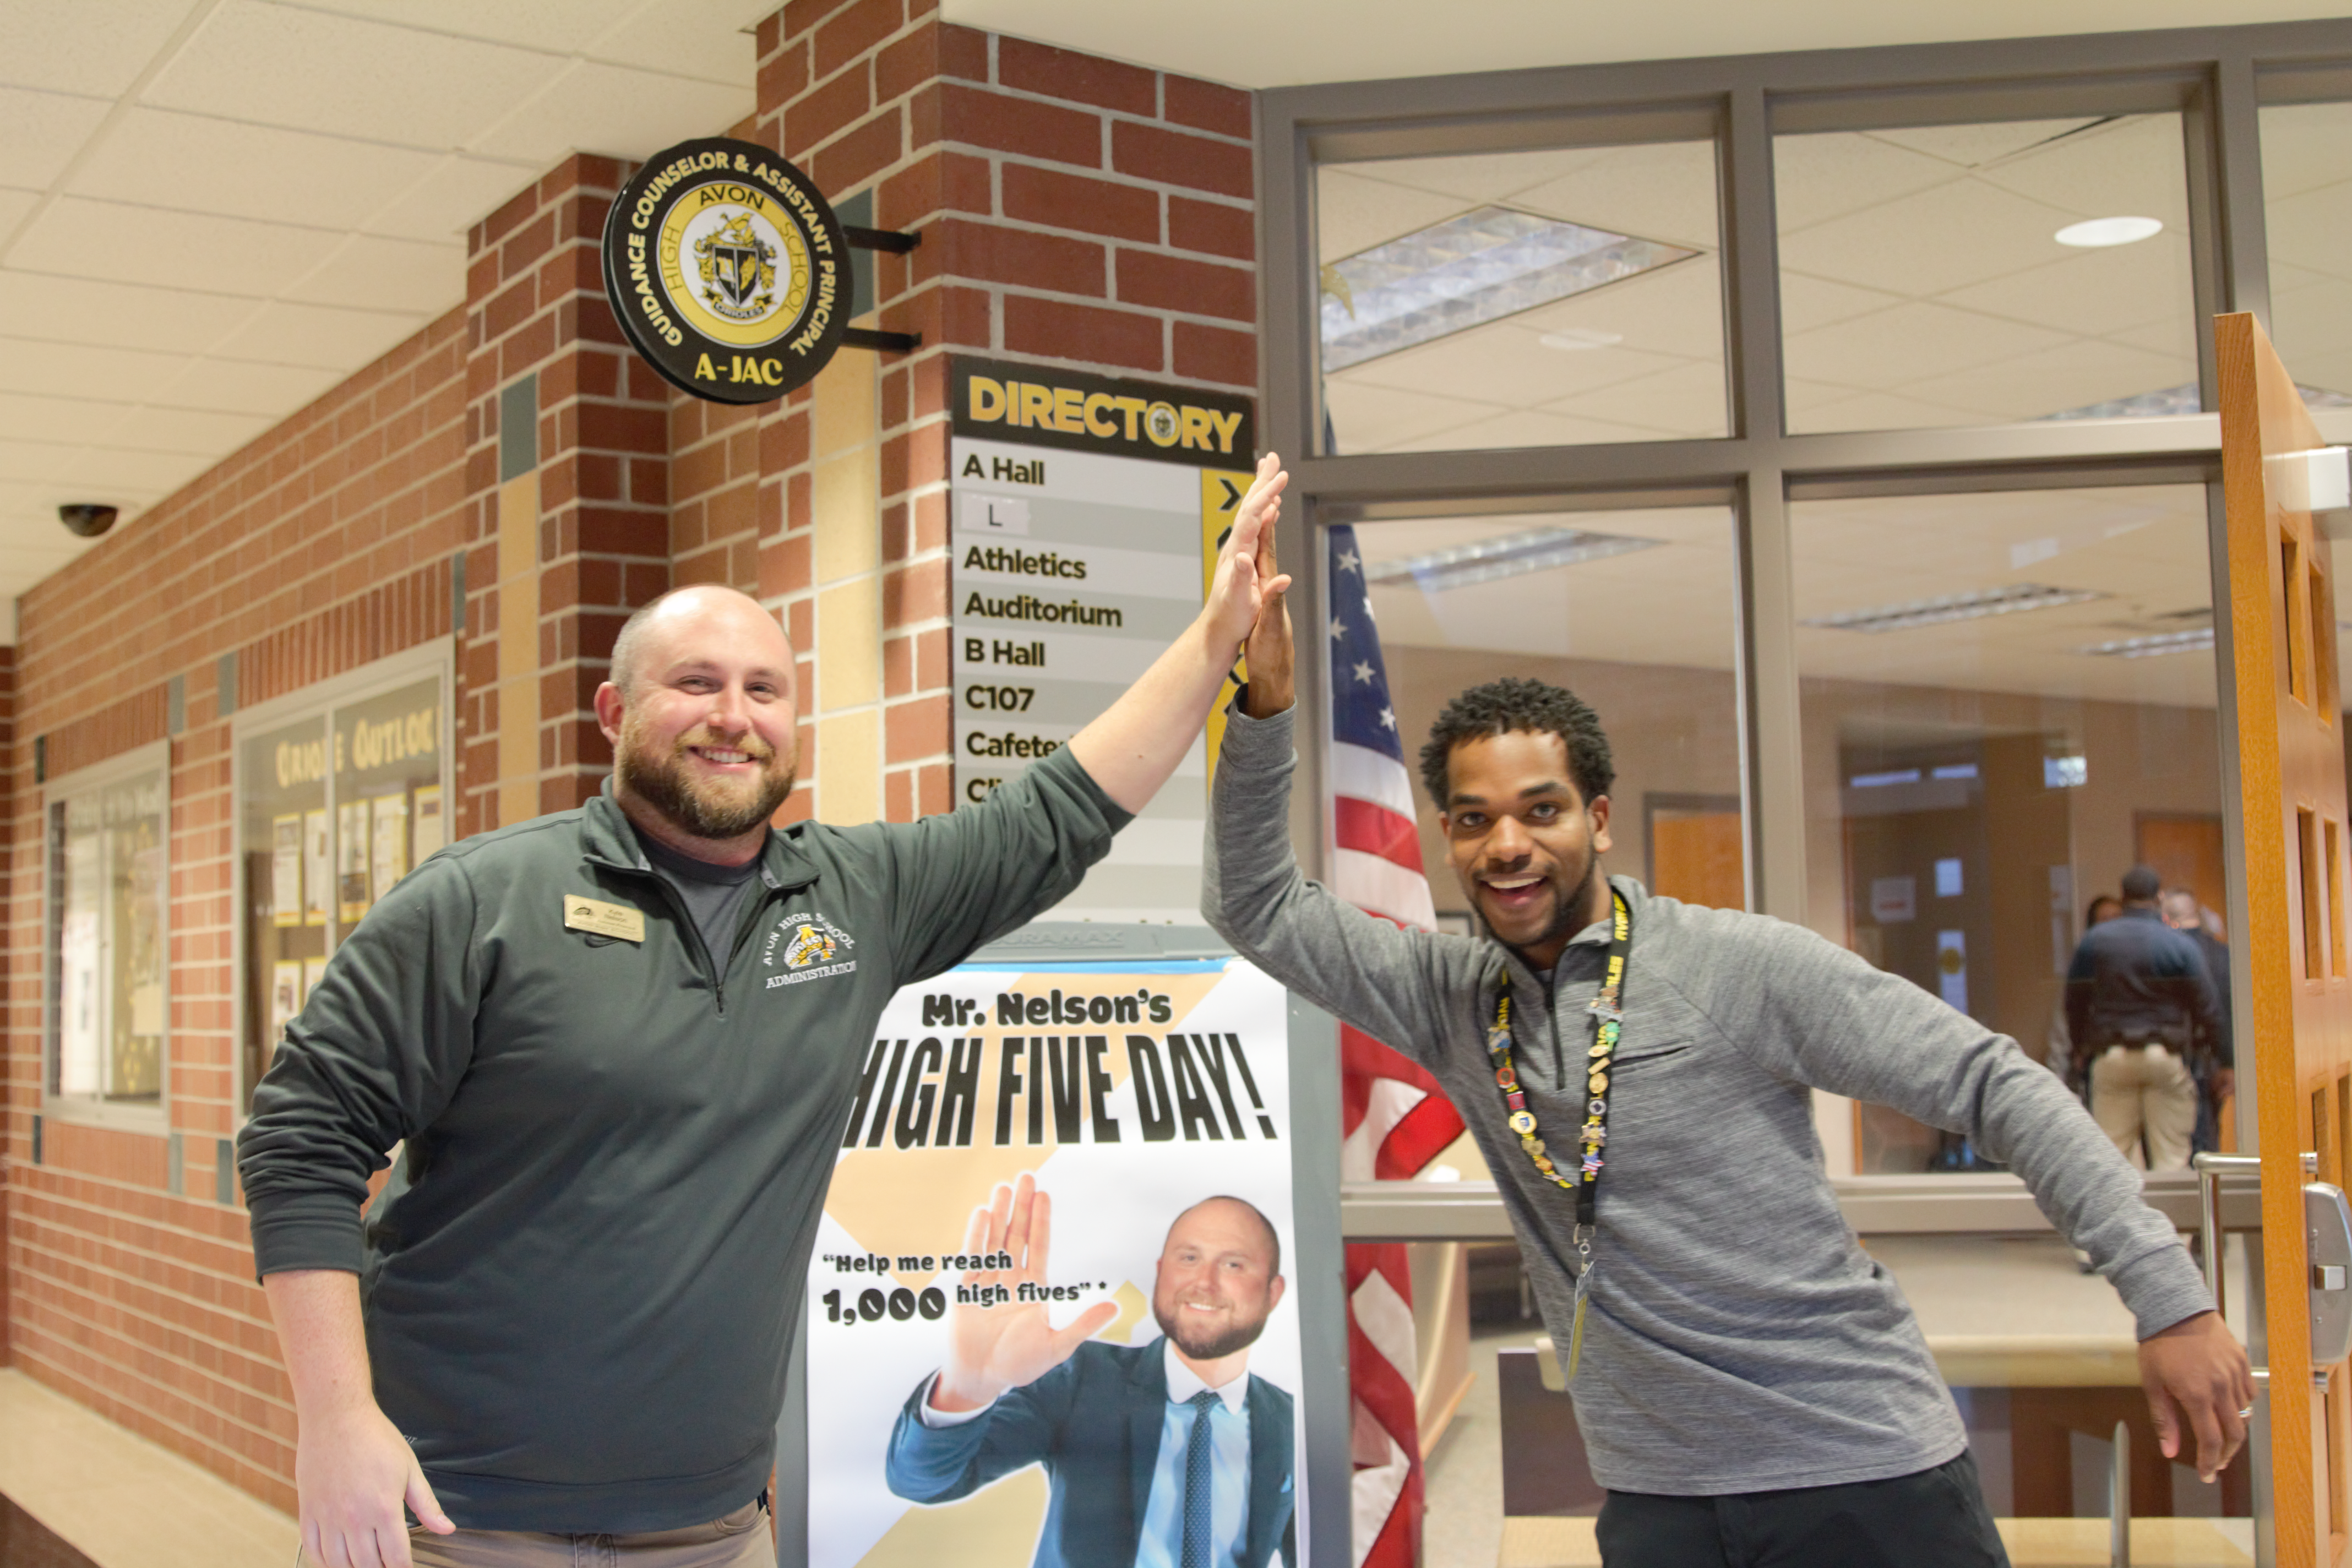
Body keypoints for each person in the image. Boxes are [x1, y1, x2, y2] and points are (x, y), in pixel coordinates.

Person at [235, 456, 1293, 1568]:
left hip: (715, 1526)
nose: (732, 717)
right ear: (615, 710)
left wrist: (1219, 628)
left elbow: (1066, 807)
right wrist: (335, 1415)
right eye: (695, 682)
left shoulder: (859, 895)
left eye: (763, 689)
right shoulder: (480, 900)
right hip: (454, 1516)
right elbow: (299, 1138)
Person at [1201, 543, 2251, 1567]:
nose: (1506, 845)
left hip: (1861, 1476)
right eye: (1475, 821)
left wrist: (2169, 1295)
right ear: (1446, 836)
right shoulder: (1449, 997)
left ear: (1598, 818)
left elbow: (1989, 1079)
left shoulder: (1729, 964)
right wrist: (1263, 710)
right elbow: (1252, 904)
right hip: (1659, 1497)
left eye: (1540, 810)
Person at [885, 1178, 1295, 1568]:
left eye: (1234, 1265)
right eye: (1188, 1258)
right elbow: (923, 1483)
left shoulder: (1297, 1424)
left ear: (1273, 1292)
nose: (1204, 1283)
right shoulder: (1082, 1380)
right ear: (1161, 1270)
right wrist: (969, 1388)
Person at [2066, 867, 2226, 1172]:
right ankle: (2170, 1220)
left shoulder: (2094, 942)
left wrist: (2079, 1049)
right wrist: (2223, 1059)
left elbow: (2074, 1004)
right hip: (2166, 1057)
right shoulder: (2179, 945)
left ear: (2123, 897)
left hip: (2111, 1058)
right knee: (2173, 1158)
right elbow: (2208, 1008)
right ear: (2159, 897)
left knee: (2114, 1162)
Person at [2162, 886, 2236, 1151]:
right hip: (2213, 1058)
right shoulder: (2223, 954)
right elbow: (2228, 1008)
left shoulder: (2166, 953)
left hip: (2174, 1057)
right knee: (2209, 1136)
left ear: (2166, 918)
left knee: (2173, 1141)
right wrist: (2229, 1062)